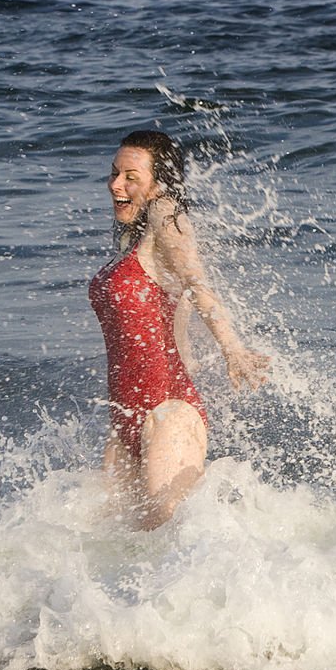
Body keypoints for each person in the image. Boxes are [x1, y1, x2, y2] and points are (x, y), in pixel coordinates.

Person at [90, 130, 268, 530]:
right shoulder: (136, 241)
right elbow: (172, 318)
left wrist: (232, 350)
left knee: (168, 538)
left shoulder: (166, 214)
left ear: (159, 184)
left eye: (131, 176)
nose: (115, 185)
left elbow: (199, 287)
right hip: (127, 420)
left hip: (167, 412)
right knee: (113, 543)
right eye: (114, 173)